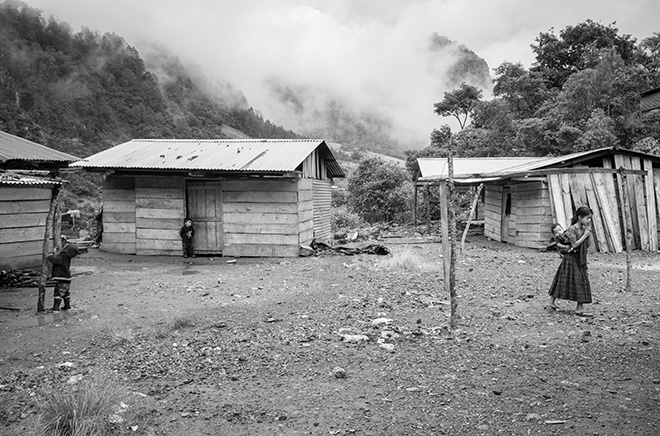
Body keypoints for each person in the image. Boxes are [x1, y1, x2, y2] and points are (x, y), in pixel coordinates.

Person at [548, 206, 593, 315]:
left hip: (579, 257)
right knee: (564, 279)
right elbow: (575, 244)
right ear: (579, 217)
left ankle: (579, 307)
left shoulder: (583, 229)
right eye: (587, 218)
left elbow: (587, 245)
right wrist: (585, 236)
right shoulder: (572, 229)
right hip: (570, 258)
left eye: (590, 218)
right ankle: (553, 302)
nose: (589, 220)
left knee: (581, 280)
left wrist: (589, 235)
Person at [48, 236, 80, 312]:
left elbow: (56, 260)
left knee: (58, 293)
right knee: (66, 292)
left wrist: (50, 257)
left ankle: (56, 307)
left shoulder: (63, 255)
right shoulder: (67, 256)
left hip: (61, 277)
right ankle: (67, 305)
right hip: (67, 277)